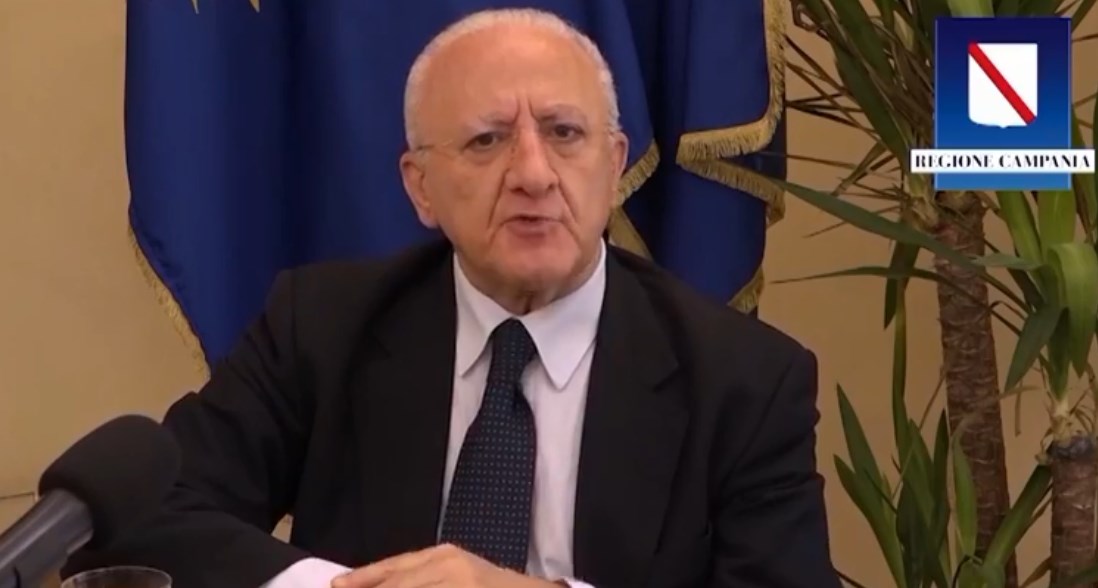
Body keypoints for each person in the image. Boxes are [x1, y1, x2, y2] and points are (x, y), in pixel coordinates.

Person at [65, 7, 841, 588]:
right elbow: (142, 518)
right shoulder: (323, 326)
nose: (532, 173)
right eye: (486, 140)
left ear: (613, 167)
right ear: (421, 187)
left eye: (564, 133)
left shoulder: (744, 379)